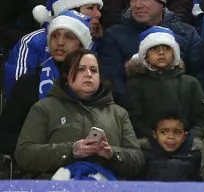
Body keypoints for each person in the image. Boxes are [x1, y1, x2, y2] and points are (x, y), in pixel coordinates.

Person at [15, 48, 145, 179]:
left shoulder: (118, 113)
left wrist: (112, 154)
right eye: (81, 69)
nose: (88, 74)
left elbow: (137, 160)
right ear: (66, 74)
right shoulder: (44, 108)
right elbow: (23, 155)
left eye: (94, 70)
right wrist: (70, 151)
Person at [99, 0, 204, 102]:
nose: (137, 5)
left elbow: (200, 81)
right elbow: (112, 81)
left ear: (161, 0)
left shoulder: (187, 34)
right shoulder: (114, 35)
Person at [0, 10, 93, 155]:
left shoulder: (95, 82)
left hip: (88, 163)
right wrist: (46, 150)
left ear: (82, 44)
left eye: (69, 37)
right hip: (38, 166)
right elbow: (5, 136)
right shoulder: (30, 83)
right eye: (54, 36)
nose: (60, 42)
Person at [124, 25, 204, 139]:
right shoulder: (135, 85)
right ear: (145, 55)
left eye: (166, 48)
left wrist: (189, 137)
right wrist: (154, 137)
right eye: (154, 49)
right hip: (149, 147)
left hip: (187, 146)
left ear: (175, 52)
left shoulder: (190, 83)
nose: (161, 53)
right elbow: (133, 120)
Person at [141, 111, 202, 181]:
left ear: (184, 137)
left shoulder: (196, 156)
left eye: (176, 132)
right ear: (155, 134)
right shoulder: (144, 156)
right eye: (164, 132)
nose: (171, 137)